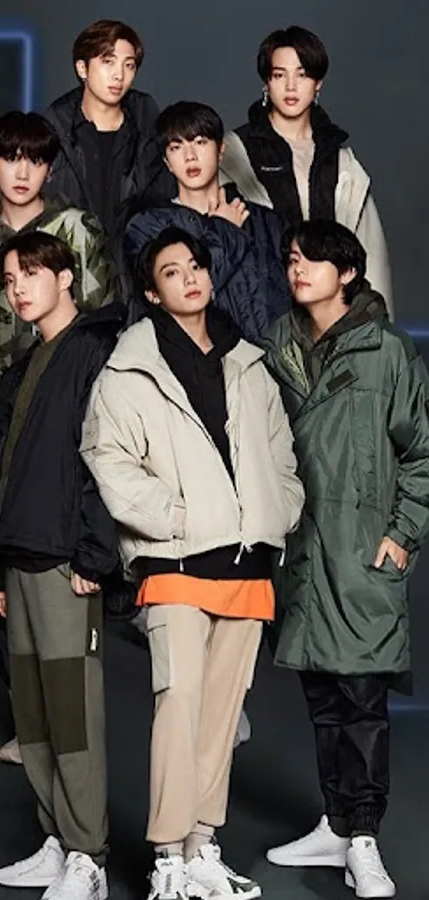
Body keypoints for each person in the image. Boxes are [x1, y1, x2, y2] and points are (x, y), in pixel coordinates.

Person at [81, 226, 304, 900]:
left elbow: (281, 453)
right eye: (171, 272)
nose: (189, 279)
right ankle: (167, 859)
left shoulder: (248, 363)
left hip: (247, 563)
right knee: (178, 704)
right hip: (174, 561)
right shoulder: (127, 369)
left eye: (195, 267)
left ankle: (202, 845)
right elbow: (107, 457)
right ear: (152, 292)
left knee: (220, 714)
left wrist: (277, 510)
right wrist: (174, 518)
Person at [0, 231, 128, 900]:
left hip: (64, 562)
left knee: (72, 715)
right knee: (35, 714)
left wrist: (94, 553)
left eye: (31, 273)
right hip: (18, 559)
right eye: (10, 279)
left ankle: (88, 858)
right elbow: (3, 475)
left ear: (66, 277)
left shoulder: (94, 351)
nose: (18, 288)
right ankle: (58, 840)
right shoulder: (27, 366)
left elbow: (108, 456)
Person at [0, 110, 115, 763]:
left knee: (62, 559)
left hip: (62, 416)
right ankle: (25, 715)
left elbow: (102, 321)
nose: (21, 171)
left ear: (48, 167)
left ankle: (70, 711)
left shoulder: (77, 233)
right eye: (10, 158)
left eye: (34, 159)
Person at [261, 220, 429, 899]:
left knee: (361, 703)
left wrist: (403, 533)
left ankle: (363, 838)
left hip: (362, 552)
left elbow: (420, 452)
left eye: (313, 260)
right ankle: (335, 825)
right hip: (299, 550)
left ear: (349, 273)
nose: (298, 269)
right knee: (324, 700)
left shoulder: (386, 352)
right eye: (292, 259)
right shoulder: (275, 347)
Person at [219, 26, 392, 316]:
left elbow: (370, 254)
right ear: (266, 81)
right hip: (262, 318)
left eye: (302, 75)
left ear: (318, 83)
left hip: (336, 318)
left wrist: (377, 326)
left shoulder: (342, 161)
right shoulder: (234, 154)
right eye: (279, 75)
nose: (291, 87)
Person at [126, 100, 291, 340]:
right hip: (197, 360)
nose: (190, 156)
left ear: (221, 151)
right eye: (176, 147)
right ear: (167, 162)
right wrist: (225, 230)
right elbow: (172, 300)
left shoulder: (267, 222)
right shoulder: (148, 227)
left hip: (271, 359)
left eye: (200, 142)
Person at [45, 19, 174, 302]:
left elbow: (163, 206)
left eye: (129, 65)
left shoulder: (148, 131)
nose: (119, 75)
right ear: (82, 69)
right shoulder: (53, 134)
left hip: (138, 287)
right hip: (68, 288)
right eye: (108, 61)